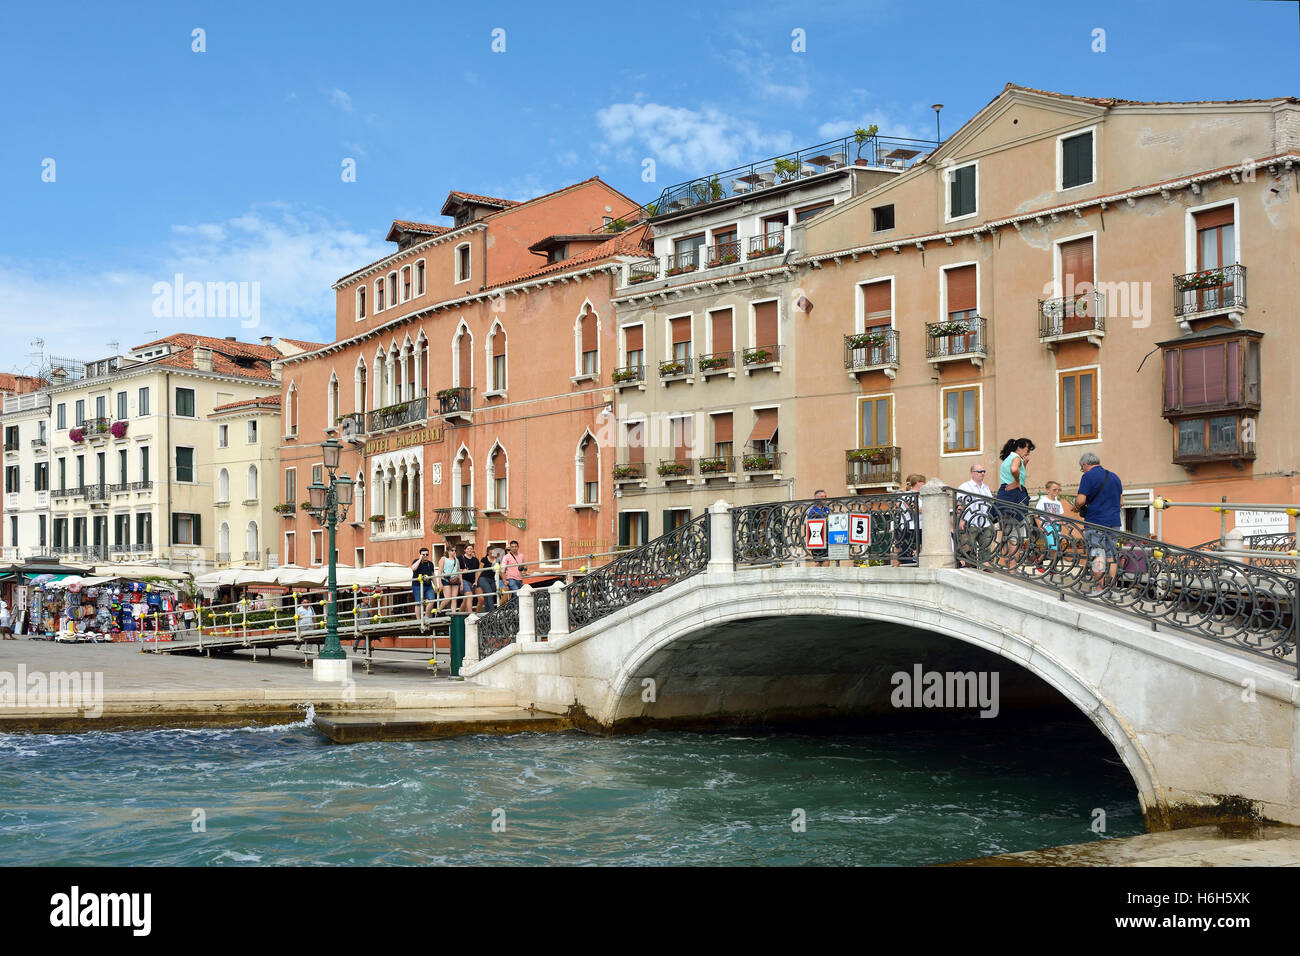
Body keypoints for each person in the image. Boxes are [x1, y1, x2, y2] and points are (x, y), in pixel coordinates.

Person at [1073, 452, 1124, 596]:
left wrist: (1076, 506)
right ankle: (1112, 590)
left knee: (1097, 553)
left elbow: (1081, 500)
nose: (1082, 471)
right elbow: (1121, 502)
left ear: (1085, 465)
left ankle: (1099, 589)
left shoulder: (1088, 476)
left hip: (1096, 521)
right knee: (1111, 555)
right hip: (1114, 522)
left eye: (1082, 468)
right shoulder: (1115, 477)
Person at [995, 437, 1036, 567]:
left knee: (1009, 532)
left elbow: (1015, 472)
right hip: (1016, 496)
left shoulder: (1009, 458)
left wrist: (1024, 465)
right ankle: (1013, 569)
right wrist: (1017, 482)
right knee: (1016, 534)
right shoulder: (1016, 458)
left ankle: (1009, 566)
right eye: (1027, 449)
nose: (1028, 453)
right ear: (1019, 447)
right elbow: (1014, 470)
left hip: (1005, 496)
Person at [955, 463, 995, 567]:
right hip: (970, 521)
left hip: (984, 522)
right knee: (969, 546)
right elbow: (959, 504)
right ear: (972, 473)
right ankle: (970, 567)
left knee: (986, 545)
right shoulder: (964, 487)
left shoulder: (986, 488)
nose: (982, 473)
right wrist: (960, 520)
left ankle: (985, 566)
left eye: (984, 471)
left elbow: (990, 504)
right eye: (980, 471)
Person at [893, 473, 926, 567]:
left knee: (920, 547)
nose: (924, 483)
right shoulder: (907, 495)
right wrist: (928, 509)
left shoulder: (922, 496)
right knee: (906, 550)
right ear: (917, 483)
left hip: (921, 526)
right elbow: (913, 509)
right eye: (923, 482)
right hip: (909, 527)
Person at [1035, 481, 1066, 573]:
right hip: (1047, 526)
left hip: (1056, 526)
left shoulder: (1058, 503)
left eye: (1058, 490)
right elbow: (1036, 514)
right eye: (1054, 489)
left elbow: (1060, 516)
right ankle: (1040, 562)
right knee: (1052, 546)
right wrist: (1040, 526)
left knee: (1055, 547)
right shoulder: (1043, 501)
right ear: (1048, 490)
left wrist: (1063, 525)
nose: (1056, 491)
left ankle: (1051, 565)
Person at [410, 547, 436, 618]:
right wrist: (419, 559)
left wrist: (436, 585)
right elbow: (413, 568)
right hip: (417, 585)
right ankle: (418, 620)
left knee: (432, 600)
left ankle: (426, 616)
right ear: (420, 555)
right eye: (423, 554)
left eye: (427, 554)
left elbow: (433, 575)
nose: (425, 556)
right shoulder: (416, 561)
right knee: (418, 603)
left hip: (428, 585)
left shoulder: (430, 564)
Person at [806, 489, 830, 567]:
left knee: (825, 560)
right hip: (817, 539)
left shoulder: (827, 509)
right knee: (821, 561)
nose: (825, 498)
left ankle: (818, 577)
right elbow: (808, 527)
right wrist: (809, 544)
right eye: (822, 497)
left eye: (825, 496)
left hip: (826, 539)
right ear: (816, 499)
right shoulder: (812, 511)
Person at [436, 547, 461, 614]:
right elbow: (439, 571)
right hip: (445, 579)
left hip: (454, 579)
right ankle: (439, 610)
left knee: (454, 598)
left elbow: (459, 571)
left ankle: (453, 613)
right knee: (447, 598)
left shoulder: (456, 560)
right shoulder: (443, 559)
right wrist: (440, 583)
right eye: (452, 550)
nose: (454, 552)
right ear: (448, 551)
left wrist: (461, 582)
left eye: (455, 550)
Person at [460, 544, 482, 613]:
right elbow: (457, 571)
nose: (469, 550)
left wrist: (476, 581)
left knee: (481, 598)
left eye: (471, 549)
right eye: (468, 549)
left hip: (474, 581)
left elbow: (477, 572)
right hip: (464, 580)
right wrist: (461, 583)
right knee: (469, 596)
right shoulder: (460, 558)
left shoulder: (476, 560)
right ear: (465, 550)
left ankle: (477, 614)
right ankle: (470, 614)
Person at [478, 547, 499, 612]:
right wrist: (476, 581)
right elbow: (479, 570)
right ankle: (494, 612)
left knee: (489, 596)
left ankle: (485, 613)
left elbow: (499, 571)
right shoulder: (484, 559)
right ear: (488, 553)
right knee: (489, 594)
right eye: (491, 553)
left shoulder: (497, 560)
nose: (492, 554)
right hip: (483, 578)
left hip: (492, 580)